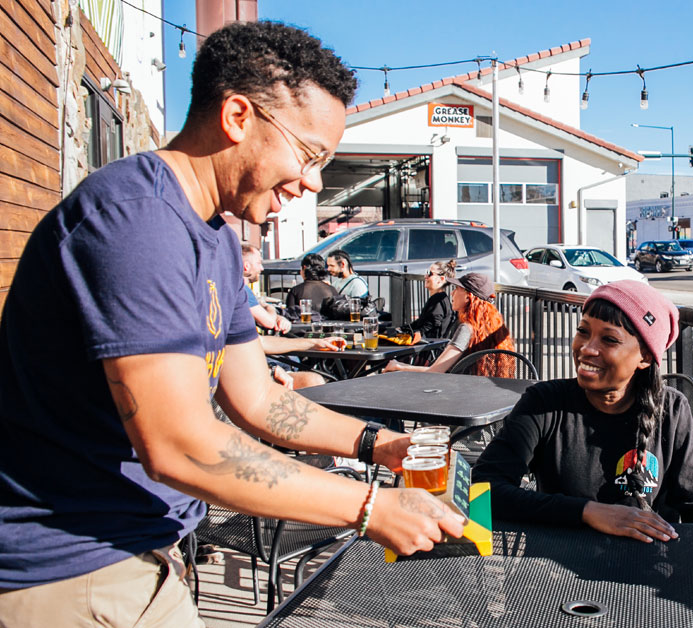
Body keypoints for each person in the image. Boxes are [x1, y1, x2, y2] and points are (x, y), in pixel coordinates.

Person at [0, 21, 463, 626]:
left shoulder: (214, 233)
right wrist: (371, 505)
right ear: (239, 116)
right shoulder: (135, 220)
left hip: (141, 551)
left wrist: (381, 445)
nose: (314, 182)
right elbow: (179, 445)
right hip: (74, 567)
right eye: (310, 154)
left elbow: (258, 400)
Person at [474, 280, 693, 542]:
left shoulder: (672, 410)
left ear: (646, 357)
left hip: (645, 570)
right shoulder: (544, 402)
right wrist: (587, 512)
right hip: (552, 573)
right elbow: (484, 489)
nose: (587, 349)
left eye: (609, 339)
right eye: (583, 331)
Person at [383, 272, 516, 376]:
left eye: (457, 288)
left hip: (459, 398)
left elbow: (435, 372)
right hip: (484, 397)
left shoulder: (467, 329)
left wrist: (398, 367)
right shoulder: (495, 328)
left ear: (468, 296)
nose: (451, 292)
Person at [402, 259, 457, 340]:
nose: (426, 276)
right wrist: (403, 329)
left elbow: (432, 326)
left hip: (429, 348)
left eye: (430, 274)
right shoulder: (438, 298)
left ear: (441, 279)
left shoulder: (438, 300)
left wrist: (416, 333)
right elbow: (422, 322)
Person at [242, 243, 291, 334]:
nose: (262, 268)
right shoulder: (242, 290)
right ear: (246, 266)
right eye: (259, 263)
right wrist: (269, 307)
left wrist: (278, 317)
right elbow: (269, 323)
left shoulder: (233, 287)